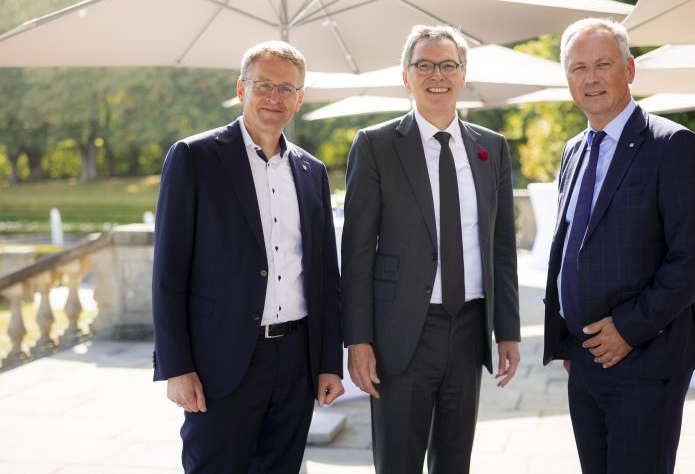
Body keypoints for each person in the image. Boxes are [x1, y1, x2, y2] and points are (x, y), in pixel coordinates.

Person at [151, 41, 344, 473]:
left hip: (297, 360)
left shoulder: (313, 172)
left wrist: (330, 363)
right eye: (265, 85)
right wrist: (176, 367)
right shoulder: (194, 158)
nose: (275, 98)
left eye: (287, 89)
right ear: (241, 89)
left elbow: (325, 277)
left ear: (300, 98)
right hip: (222, 360)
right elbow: (168, 273)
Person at [341, 25, 521, 474]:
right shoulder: (376, 145)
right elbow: (357, 252)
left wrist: (509, 331)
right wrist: (357, 340)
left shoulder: (492, 148)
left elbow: (502, 246)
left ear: (463, 75)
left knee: (454, 461)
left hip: (469, 329)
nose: (436, 75)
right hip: (401, 334)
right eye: (424, 65)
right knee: (398, 462)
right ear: (406, 77)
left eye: (447, 65)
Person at [542, 18, 695, 474]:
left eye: (603, 64)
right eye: (578, 68)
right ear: (567, 78)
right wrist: (567, 341)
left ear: (630, 69)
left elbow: (694, 255)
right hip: (583, 362)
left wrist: (628, 330)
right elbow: (569, 248)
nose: (591, 78)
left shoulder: (672, 144)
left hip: (645, 361)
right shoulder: (573, 150)